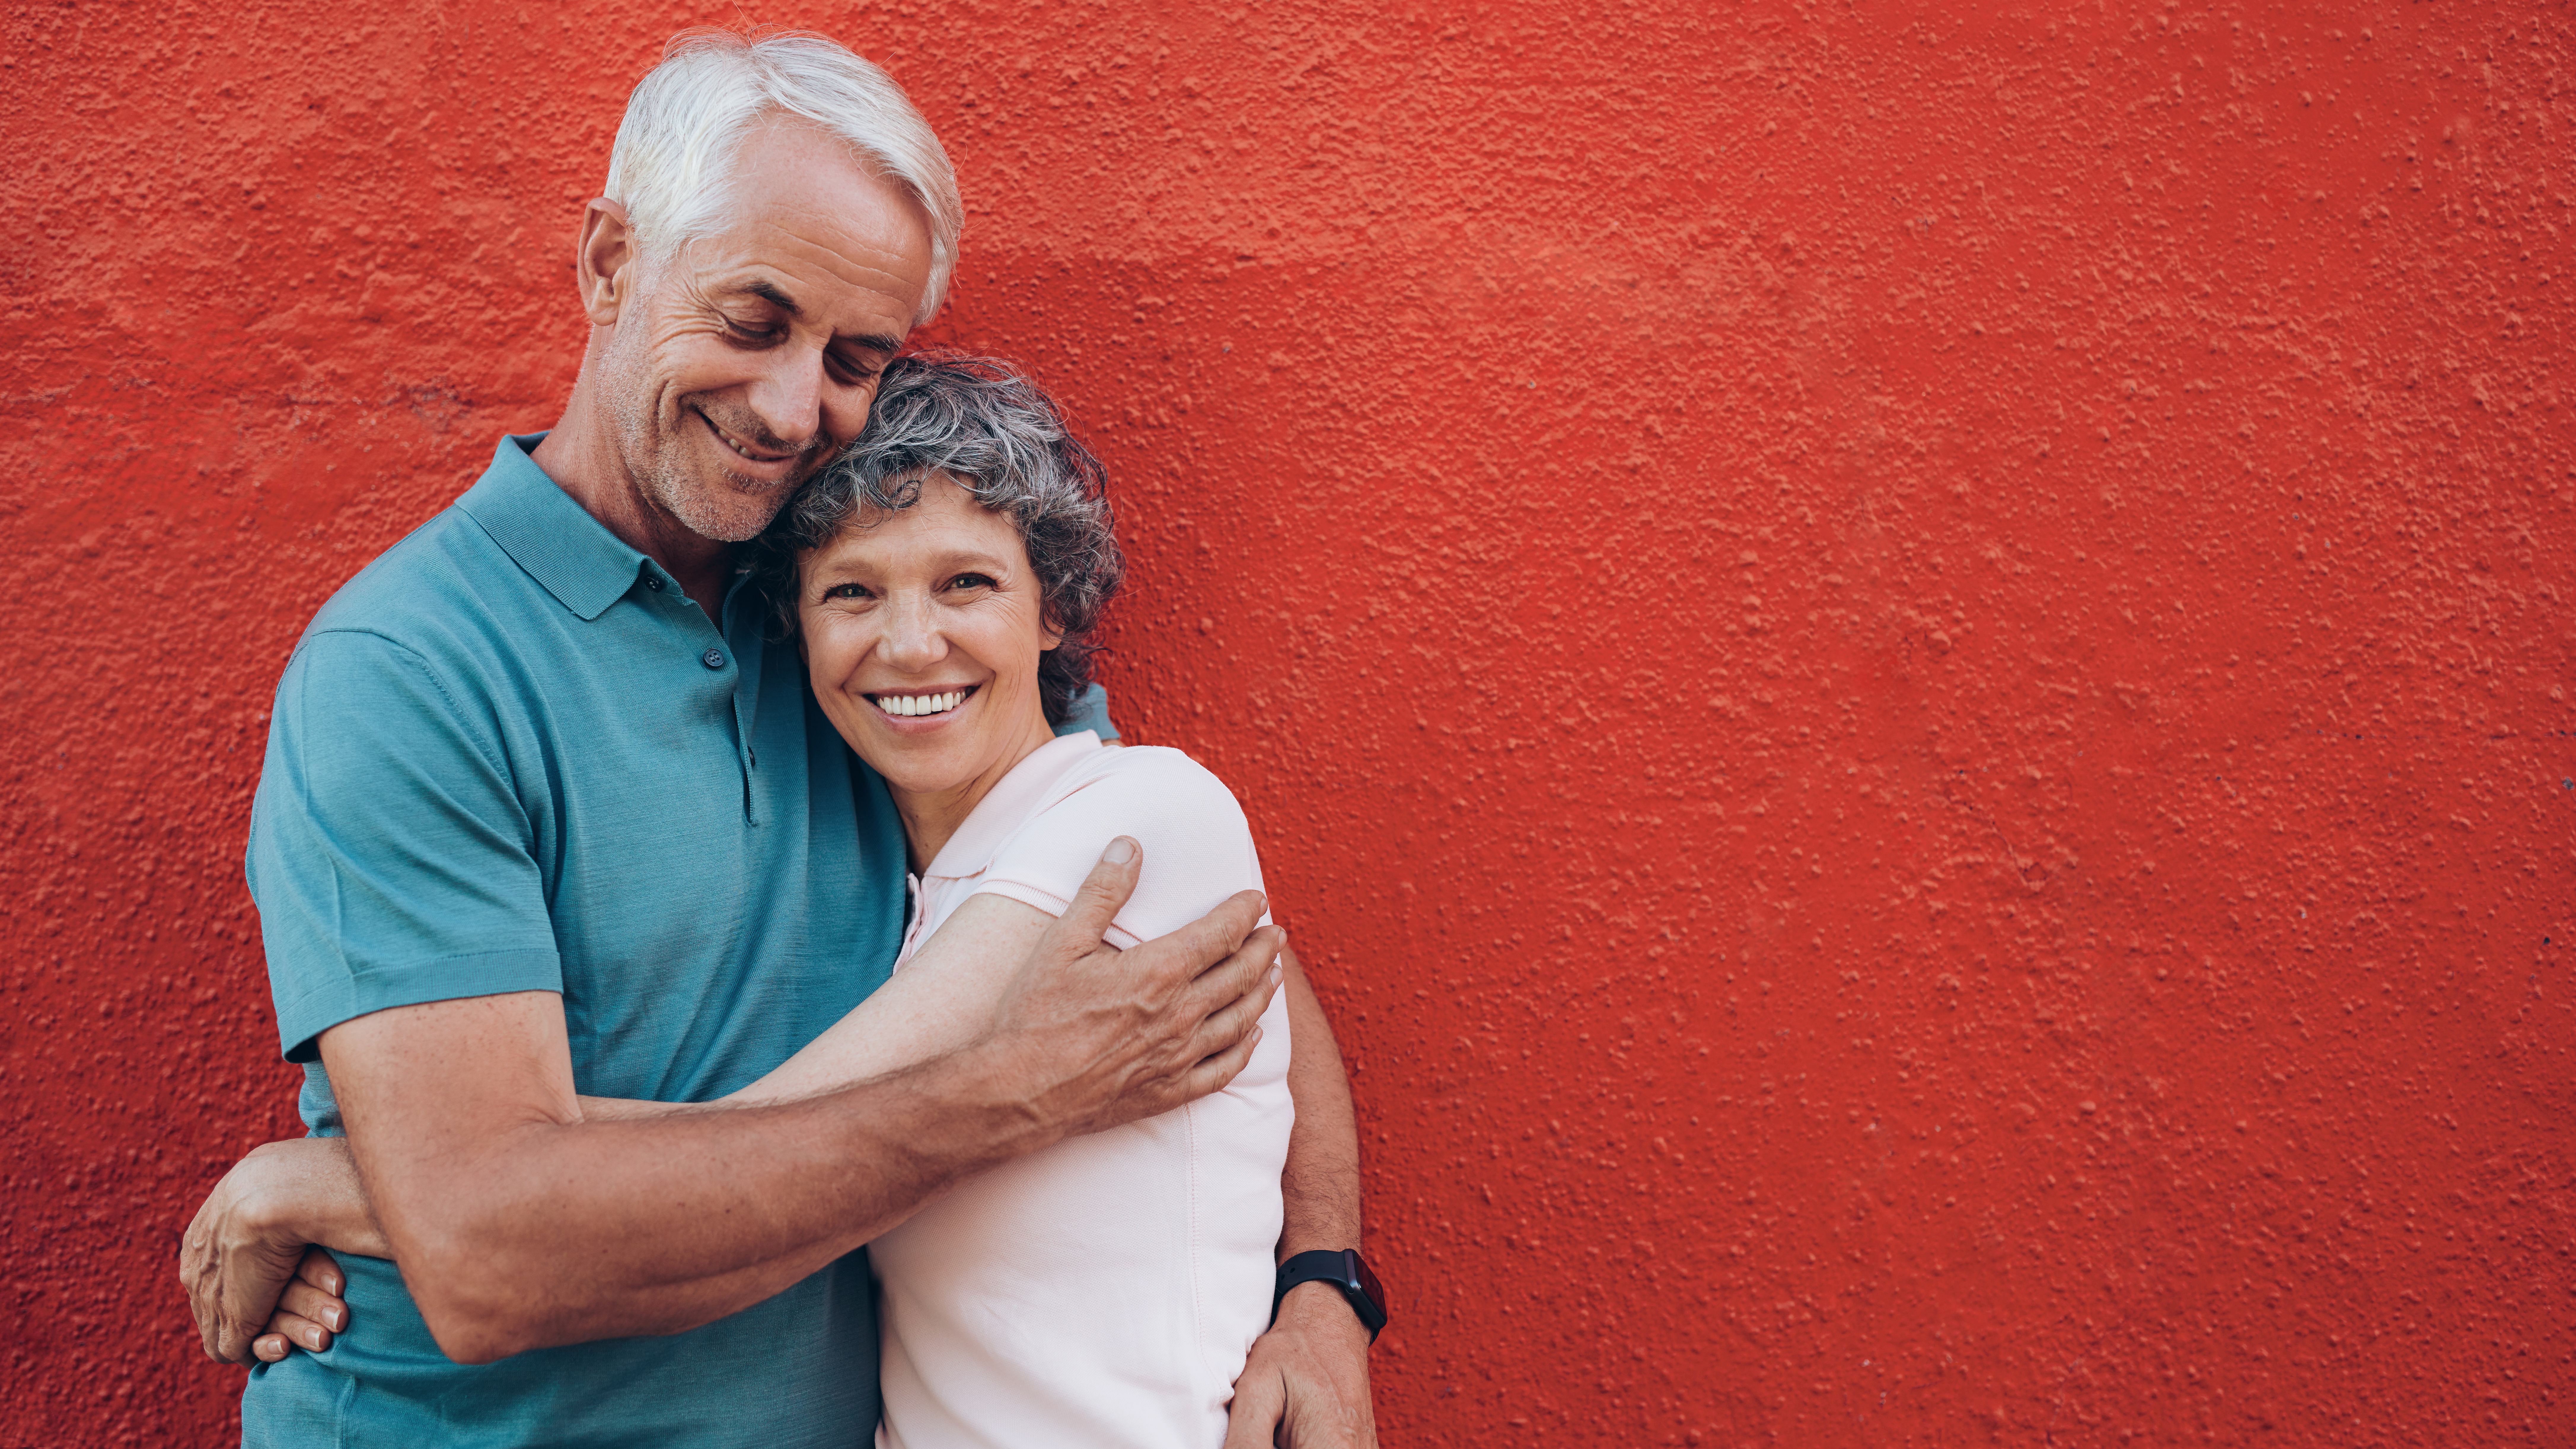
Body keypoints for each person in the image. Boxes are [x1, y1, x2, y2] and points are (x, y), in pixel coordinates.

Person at [176, 30, 1380, 1448]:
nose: (794, 406)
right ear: (610, 263)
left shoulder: (859, 636)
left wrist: (1323, 1281)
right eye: (754, 320)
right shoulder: (414, 672)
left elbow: (1213, 935)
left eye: (855, 356)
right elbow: (491, 1255)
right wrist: (1004, 1098)